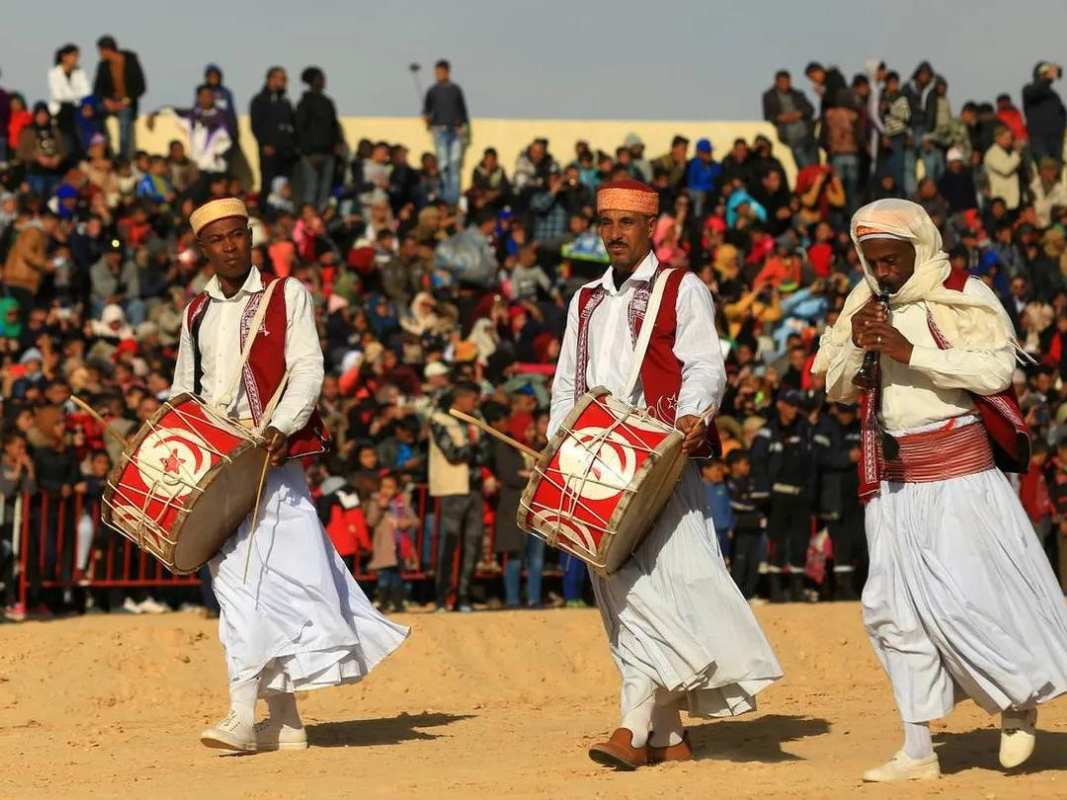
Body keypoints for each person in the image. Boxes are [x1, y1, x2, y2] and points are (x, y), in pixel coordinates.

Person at [813, 198, 1067, 782]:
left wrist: (909, 352)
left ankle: (1015, 701)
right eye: (873, 261)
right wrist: (855, 344)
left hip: (960, 475)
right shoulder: (864, 300)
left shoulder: (965, 293)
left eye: (892, 259)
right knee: (889, 611)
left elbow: (995, 372)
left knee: (966, 601)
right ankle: (917, 749)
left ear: (919, 246)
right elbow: (835, 388)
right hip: (895, 481)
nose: (884, 272)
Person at [550, 178, 781, 769]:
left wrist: (691, 419)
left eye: (626, 223)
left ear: (651, 226)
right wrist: (560, 449)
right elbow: (565, 385)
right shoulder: (585, 300)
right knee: (626, 598)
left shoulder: (684, 288)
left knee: (659, 594)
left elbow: (705, 364)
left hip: (661, 462)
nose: (614, 234)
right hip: (597, 469)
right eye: (605, 222)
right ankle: (670, 736)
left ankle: (631, 730)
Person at [170, 198, 408, 752]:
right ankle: (287, 722)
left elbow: (308, 366)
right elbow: (185, 387)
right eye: (218, 240)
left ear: (250, 238)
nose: (229, 246)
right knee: (242, 587)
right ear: (203, 250)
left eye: (237, 236)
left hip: (270, 465)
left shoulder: (287, 294)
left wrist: (282, 425)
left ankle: (242, 717)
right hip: (214, 470)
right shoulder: (196, 313)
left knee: (258, 586)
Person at [428, 382, 491, 612]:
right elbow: (453, 454)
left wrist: (475, 446)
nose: (475, 404)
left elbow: (486, 452)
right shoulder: (439, 420)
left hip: (474, 487)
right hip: (452, 488)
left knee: (472, 542)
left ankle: (464, 594)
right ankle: (442, 596)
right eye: (473, 399)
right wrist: (473, 444)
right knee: (449, 542)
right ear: (461, 398)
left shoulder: (477, 420)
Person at [750, 388, 815, 602]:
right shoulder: (768, 431)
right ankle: (775, 588)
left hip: (801, 496)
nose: (794, 410)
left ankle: (797, 588)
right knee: (777, 542)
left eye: (796, 405)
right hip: (777, 495)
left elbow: (813, 462)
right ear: (780, 405)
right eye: (790, 405)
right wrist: (763, 492)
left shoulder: (805, 429)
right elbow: (757, 462)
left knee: (800, 542)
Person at [814, 401, 864, 600]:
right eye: (842, 412)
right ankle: (843, 589)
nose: (845, 416)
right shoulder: (826, 428)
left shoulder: (860, 428)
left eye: (849, 412)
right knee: (840, 542)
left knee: (859, 541)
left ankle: (858, 585)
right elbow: (818, 457)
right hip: (833, 497)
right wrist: (847, 457)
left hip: (858, 497)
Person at [294, 67, 343, 210]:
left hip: (328, 154)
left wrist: (337, 144)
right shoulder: (304, 103)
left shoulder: (328, 102)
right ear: (312, 81)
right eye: (320, 78)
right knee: (311, 189)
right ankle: (309, 221)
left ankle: (320, 223)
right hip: (311, 155)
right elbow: (300, 129)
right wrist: (308, 153)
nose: (323, 81)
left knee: (324, 192)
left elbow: (334, 126)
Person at [422, 59, 469, 206]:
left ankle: (453, 197)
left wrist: (462, 127)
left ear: (447, 72)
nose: (438, 75)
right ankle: (444, 196)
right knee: (442, 164)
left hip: (454, 131)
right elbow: (426, 111)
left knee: (454, 164)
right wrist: (428, 121)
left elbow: (463, 111)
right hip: (439, 130)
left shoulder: (455, 89)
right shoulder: (432, 90)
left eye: (441, 72)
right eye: (436, 72)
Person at [92, 35, 146, 159]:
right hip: (109, 102)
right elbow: (97, 89)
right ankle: (101, 151)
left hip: (127, 103)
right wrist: (107, 101)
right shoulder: (103, 65)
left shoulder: (131, 62)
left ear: (107, 50)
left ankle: (124, 157)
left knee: (124, 121)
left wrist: (126, 101)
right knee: (92, 113)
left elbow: (140, 87)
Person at [250, 67, 297, 196]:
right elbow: (255, 126)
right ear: (271, 79)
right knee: (268, 185)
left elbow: (292, 125)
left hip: (286, 153)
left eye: (285, 79)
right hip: (269, 152)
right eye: (281, 79)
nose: (283, 82)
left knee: (285, 186)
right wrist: (265, 144)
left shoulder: (286, 102)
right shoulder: (259, 100)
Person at [725, 449, 764, 601]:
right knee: (739, 563)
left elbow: (757, 499)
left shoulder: (750, 481)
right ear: (734, 465)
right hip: (739, 529)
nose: (748, 467)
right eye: (745, 464)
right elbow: (736, 505)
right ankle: (737, 597)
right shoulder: (728, 483)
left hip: (755, 528)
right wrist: (753, 505)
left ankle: (750, 594)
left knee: (754, 562)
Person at [761, 69, 818, 169]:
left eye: (787, 82)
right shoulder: (769, 96)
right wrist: (781, 118)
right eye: (782, 82)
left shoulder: (798, 94)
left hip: (807, 135)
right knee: (805, 170)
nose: (785, 84)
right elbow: (768, 116)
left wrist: (799, 114)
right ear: (777, 82)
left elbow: (810, 109)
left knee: (816, 169)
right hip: (792, 138)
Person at [48, 44, 90, 157]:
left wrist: (74, 97)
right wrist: (76, 97)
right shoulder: (54, 73)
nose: (76, 59)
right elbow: (58, 95)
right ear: (64, 57)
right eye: (74, 56)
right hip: (61, 111)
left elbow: (86, 92)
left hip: (77, 110)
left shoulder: (80, 72)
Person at [1023, 62, 1066, 163]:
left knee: (1058, 170)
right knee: (1045, 168)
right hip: (1040, 139)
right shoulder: (1029, 89)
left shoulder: (1054, 95)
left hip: (1057, 138)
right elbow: (1034, 91)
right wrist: (1045, 78)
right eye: (1046, 73)